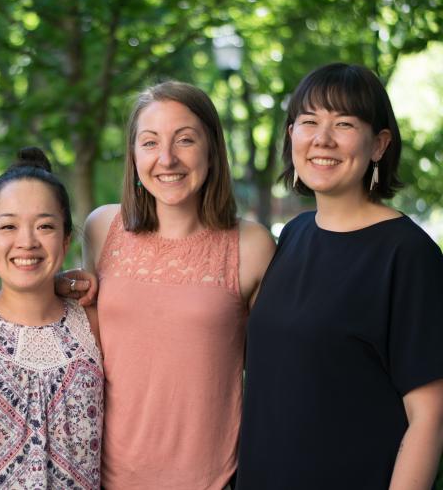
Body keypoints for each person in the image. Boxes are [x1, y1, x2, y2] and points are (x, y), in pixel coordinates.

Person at [236, 63, 443, 489]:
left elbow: (430, 417)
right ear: (292, 134)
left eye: (344, 123)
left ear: (380, 145)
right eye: (308, 122)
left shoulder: (408, 254)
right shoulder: (293, 235)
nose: (321, 139)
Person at [82, 81, 276, 489]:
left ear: (211, 149)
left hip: (212, 479)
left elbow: (273, 379)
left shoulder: (253, 246)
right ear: (134, 155)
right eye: (150, 143)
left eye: (185, 140)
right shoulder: (102, 229)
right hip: (104, 477)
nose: (166, 158)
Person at [0, 147, 104, 489]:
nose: (27, 241)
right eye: (8, 226)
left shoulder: (94, 323)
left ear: (66, 240)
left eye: (45, 226)